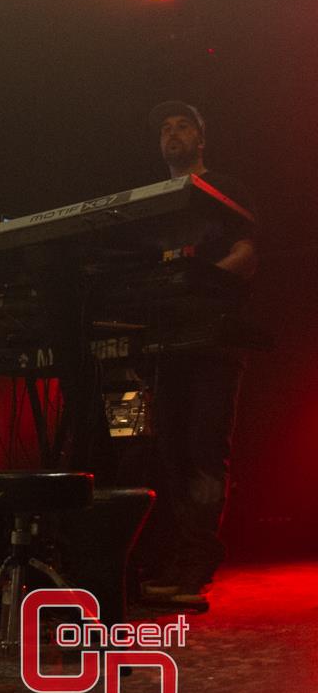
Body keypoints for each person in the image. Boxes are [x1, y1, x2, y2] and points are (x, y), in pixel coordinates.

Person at [141, 101, 255, 610]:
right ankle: (175, 558)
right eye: (165, 128)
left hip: (212, 337)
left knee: (205, 447)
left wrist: (201, 283)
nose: (173, 134)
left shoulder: (226, 188)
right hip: (168, 339)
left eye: (183, 126)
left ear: (201, 138)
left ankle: (198, 561)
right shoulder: (156, 202)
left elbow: (247, 253)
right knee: (170, 452)